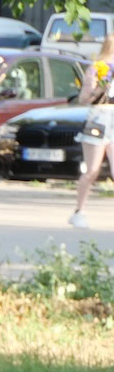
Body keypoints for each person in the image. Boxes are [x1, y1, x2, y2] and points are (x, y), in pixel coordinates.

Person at [70, 34, 114, 231]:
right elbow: (84, 98)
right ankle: (79, 211)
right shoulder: (97, 69)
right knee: (93, 170)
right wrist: (99, 89)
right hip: (99, 118)